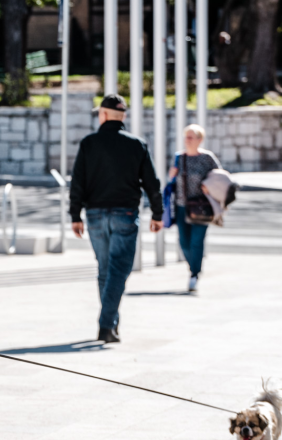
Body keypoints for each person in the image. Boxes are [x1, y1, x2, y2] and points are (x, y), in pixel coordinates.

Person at [69, 94, 163, 344]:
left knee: (106, 271)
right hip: (125, 213)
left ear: (103, 115)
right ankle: (107, 324)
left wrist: (75, 215)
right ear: (122, 116)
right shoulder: (137, 144)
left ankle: (110, 322)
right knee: (119, 271)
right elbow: (151, 182)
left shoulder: (89, 143)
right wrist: (157, 213)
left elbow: (78, 181)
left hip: (95, 214)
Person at [167, 124, 220, 292]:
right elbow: (172, 182)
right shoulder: (179, 157)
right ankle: (193, 267)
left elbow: (219, 178)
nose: (187, 140)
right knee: (183, 242)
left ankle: (194, 274)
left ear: (199, 140)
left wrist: (208, 186)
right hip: (182, 206)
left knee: (196, 241)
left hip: (201, 206)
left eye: (191, 137)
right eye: (186, 137)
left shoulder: (207, 158)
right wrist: (172, 176)